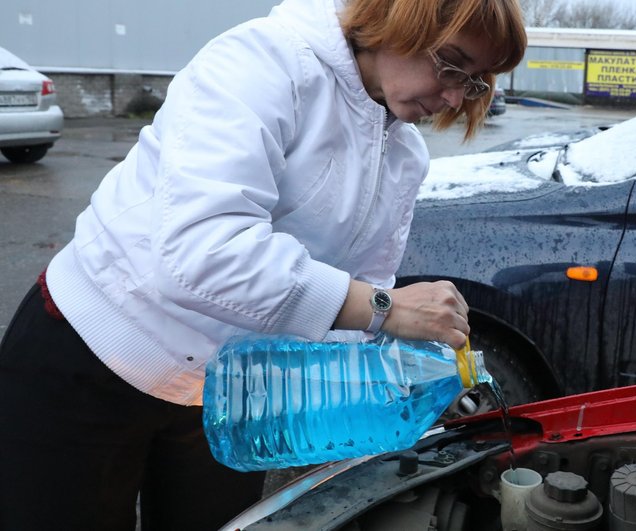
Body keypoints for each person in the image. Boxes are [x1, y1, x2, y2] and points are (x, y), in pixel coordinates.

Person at [0, 0, 526, 528]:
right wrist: (386, 308)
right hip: (91, 361)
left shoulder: (403, 154)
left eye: (476, 81)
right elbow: (203, 249)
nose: (456, 96)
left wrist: (413, 368)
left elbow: (355, 301)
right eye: (452, 64)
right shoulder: (265, 63)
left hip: (228, 393)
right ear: (397, 20)